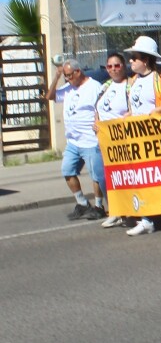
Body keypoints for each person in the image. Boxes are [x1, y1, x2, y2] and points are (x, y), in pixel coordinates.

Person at [122, 37, 161, 235]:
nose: (130, 62)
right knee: (140, 177)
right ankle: (146, 218)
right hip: (138, 138)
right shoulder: (133, 81)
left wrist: (160, 109)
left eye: (134, 58)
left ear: (145, 60)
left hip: (158, 138)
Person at [46, 58, 106, 221]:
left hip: (90, 140)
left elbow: (101, 107)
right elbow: (50, 96)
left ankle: (99, 206)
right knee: (67, 170)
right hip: (73, 141)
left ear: (78, 71)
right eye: (66, 76)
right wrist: (56, 78)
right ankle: (82, 203)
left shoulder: (94, 87)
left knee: (96, 176)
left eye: (69, 75)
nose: (68, 79)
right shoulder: (68, 88)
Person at [91, 53, 130, 225]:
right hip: (103, 140)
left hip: (120, 141)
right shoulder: (105, 86)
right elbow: (97, 108)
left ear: (123, 66)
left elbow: (133, 109)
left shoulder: (129, 86)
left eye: (117, 65)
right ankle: (114, 209)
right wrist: (96, 122)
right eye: (110, 66)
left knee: (122, 177)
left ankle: (128, 210)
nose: (113, 69)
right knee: (102, 176)